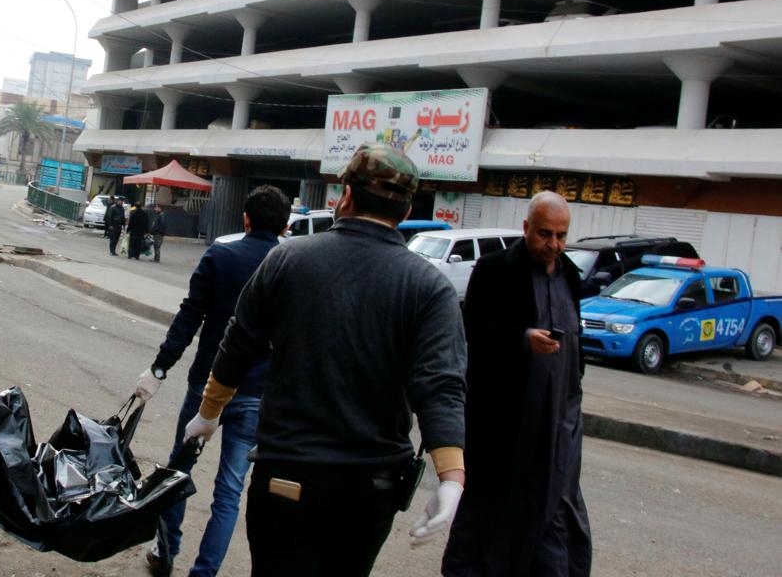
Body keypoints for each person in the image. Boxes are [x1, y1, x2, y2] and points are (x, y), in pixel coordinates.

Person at [185, 143, 467, 576]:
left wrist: (208, 413)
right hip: (370, 491)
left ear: (345, 197)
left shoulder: (288, 258)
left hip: (286, 477)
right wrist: (451, 477)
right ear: (406, 210)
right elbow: (440, 385)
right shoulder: (430, 286)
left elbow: (237, 344)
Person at [136, 185, 290, 577]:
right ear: (286, 225)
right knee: (230, 491)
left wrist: (159, 368)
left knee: (179, 472)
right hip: (257, 395)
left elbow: (189, 317)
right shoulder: (290, 267)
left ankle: (166, 554)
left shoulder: (221, 255)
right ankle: (204, 572)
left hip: (206, 385)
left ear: (246, 219)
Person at [442, 191, 591, 577]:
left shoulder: (570, 272)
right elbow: (473, 330)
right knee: (492, 508)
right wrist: (523, 338)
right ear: (526, 228)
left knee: (554, 503)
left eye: (561, 235)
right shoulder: (495, 269)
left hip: (560, 418)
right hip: (506, 420)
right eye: (545, 234)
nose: (553, 245)